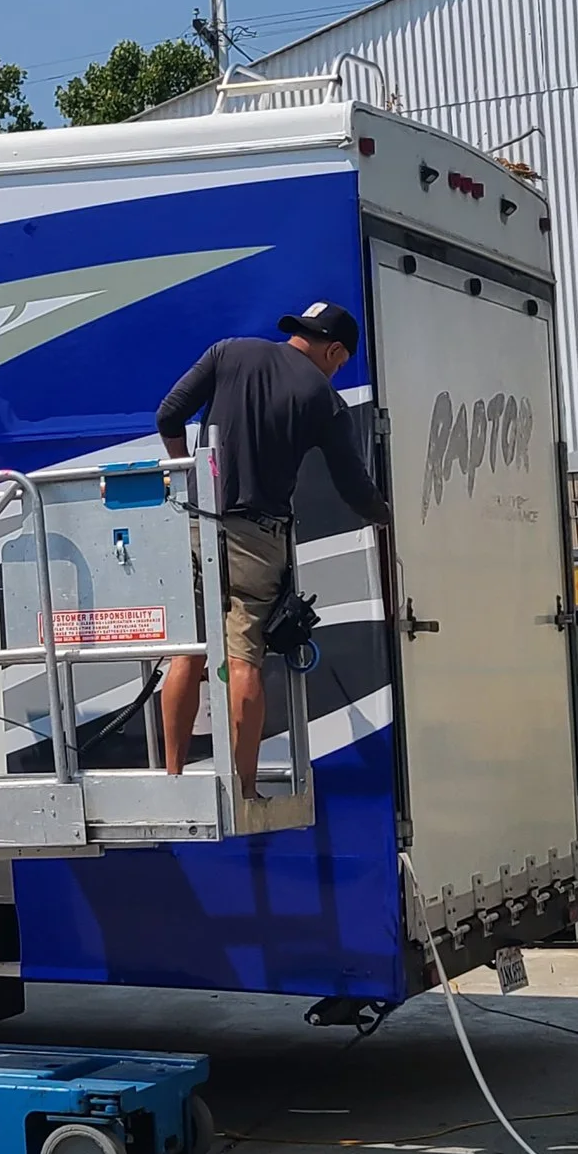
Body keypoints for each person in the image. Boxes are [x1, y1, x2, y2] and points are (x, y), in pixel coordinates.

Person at [153, 302, 390, 796]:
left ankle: (172, 776)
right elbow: (353, 486)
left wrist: (189, 475)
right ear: (335, 350)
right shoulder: (323, 399)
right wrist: (388, 516)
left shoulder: (228, 352)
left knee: (187, 654)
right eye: (340, 362)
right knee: (244, 661)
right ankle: (243, 788)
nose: (336, 369)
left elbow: (169, 413)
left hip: (200, 523)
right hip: (258, 538)